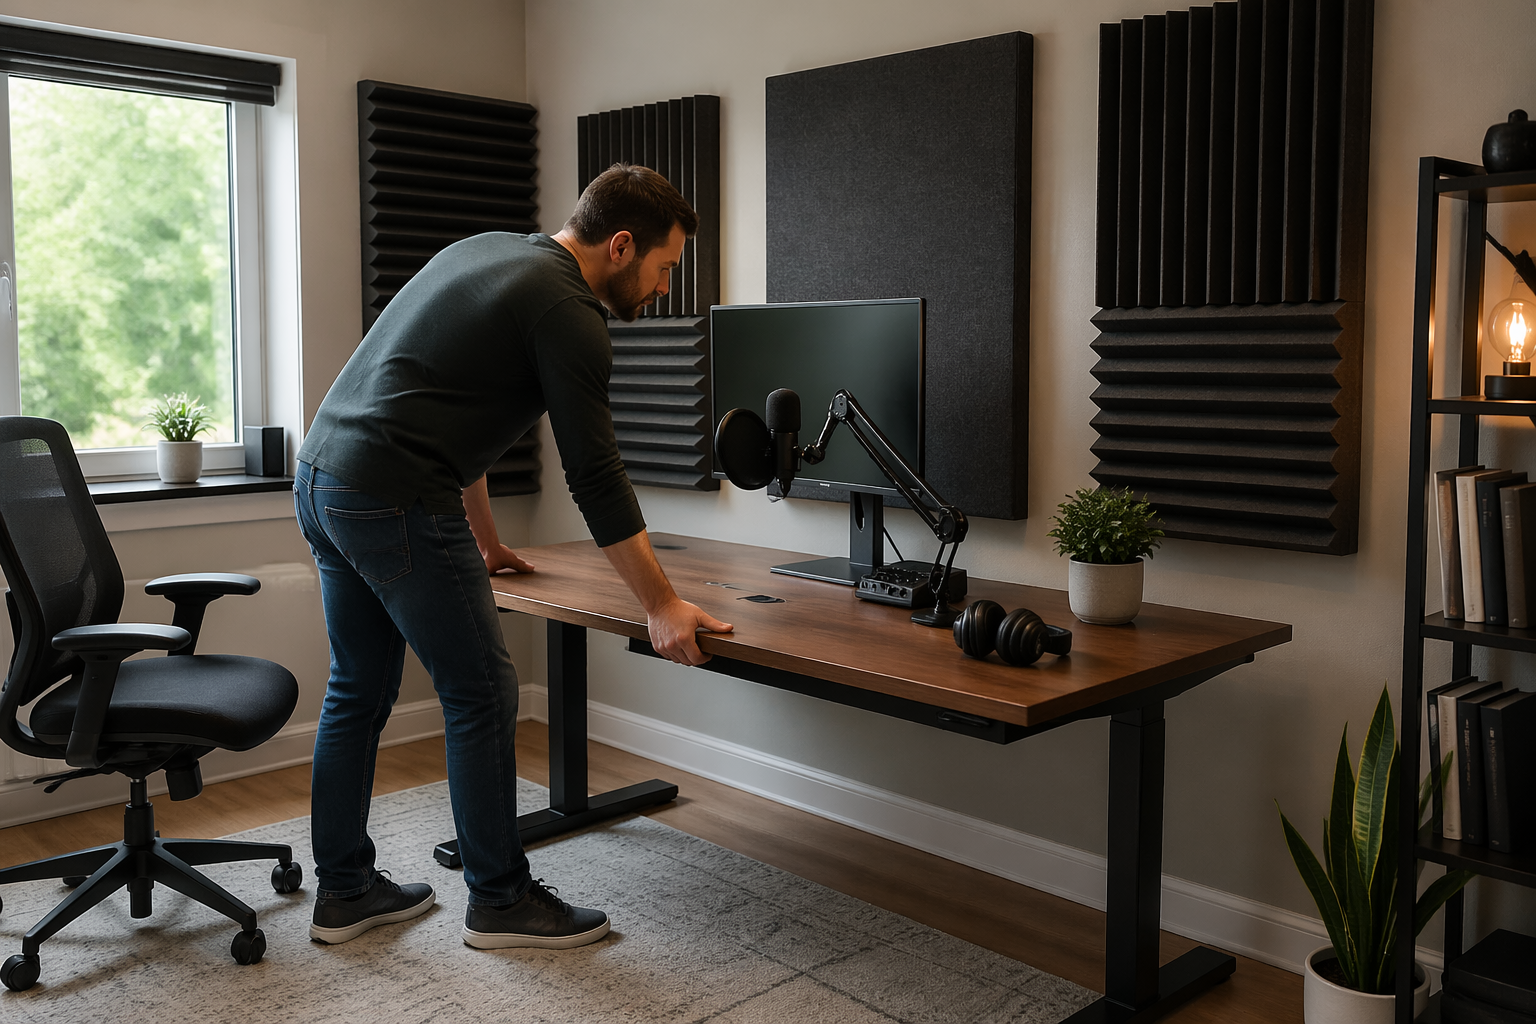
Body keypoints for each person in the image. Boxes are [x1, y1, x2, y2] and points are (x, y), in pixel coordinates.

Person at [292, 164, 733, 950]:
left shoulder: (490, 253)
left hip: (326, 478)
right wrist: (661, 604)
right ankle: (501, 901)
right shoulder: (569, 310)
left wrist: (488, 543)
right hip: (392, 493)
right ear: (622, 245)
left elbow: (457, 413)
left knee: (357, 689)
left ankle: (345, 891)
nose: (665, 287)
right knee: (484, 693)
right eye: (665, 267)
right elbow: (595, 474)